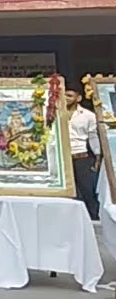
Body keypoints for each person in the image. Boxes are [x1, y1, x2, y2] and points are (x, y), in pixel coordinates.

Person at [65, 84, 102, 220]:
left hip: (81, 156)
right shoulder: (55, 113)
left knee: (87, 190)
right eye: (64, 95)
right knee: (68, 193)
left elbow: (93, 136)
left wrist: (97, 157)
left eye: (69, 95)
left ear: (78, 98)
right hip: (62, 158)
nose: (66, 98)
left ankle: (94, 218)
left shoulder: (88, 115)